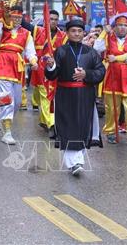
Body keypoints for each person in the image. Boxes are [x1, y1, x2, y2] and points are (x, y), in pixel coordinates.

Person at [45, 19, 105, 176]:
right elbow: (52, 75)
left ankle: (77, 160)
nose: (76, 34)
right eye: (73, 31)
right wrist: (50, 66)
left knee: (83, 126)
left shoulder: (91, 52)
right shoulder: (61, 51)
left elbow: (100, 72)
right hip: (65, 95)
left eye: (79, 31)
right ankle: (74, 163)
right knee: (68, 127)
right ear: (67, 33)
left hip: (85, 95)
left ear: (83, 32)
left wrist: (87, 74)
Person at [0, 6, 38, 145]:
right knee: (8, 98)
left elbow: (30, 51)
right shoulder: (2, 30)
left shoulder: (26, 33)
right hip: (3, 62)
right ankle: (7, 131)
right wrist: (2, 17)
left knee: (17, 101)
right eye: (13, 17)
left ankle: (4, 117)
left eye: (19, 17)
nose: (16, 20)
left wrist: (34, 61)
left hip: (18, 65)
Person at [93, 15, 127, 146]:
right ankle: (111, 132)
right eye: (120, 25)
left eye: (125, 25)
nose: (122, 28)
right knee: (112, 107)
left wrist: (116, 58)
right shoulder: (108, 38)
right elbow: (97, 48)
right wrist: (104, 31)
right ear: (114, 27)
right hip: (112, 75)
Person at [31, 9, 68, 139]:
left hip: (55, 70)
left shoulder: (63, 35)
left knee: (50, 96)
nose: (53, 21)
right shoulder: (37, 31)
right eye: (50, 19)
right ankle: (52, 124)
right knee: (45, 95)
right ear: (45, 20)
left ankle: (44, 120)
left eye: (55, 19)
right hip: (40, 69)